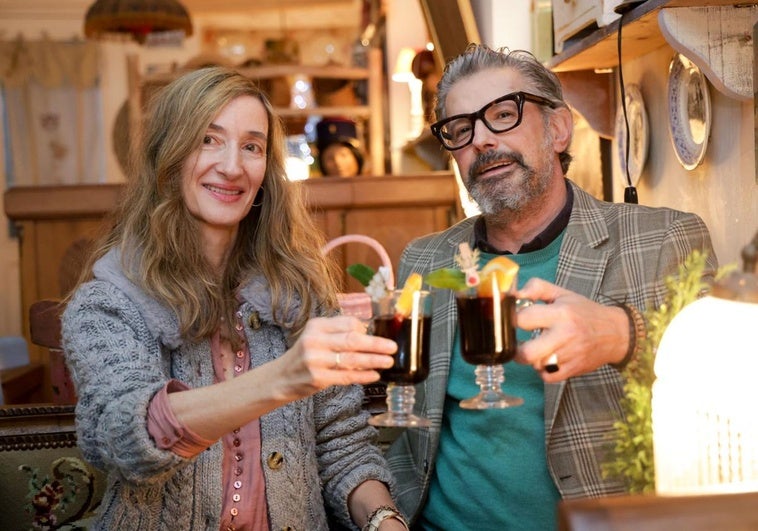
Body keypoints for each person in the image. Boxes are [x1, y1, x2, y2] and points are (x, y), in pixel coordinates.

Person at [383, 44, 718, 529]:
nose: (480, 140)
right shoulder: (425, 260)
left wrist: (627, 335)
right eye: (461, 130)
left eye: (503, 114)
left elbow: (730, 380)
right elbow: (390, 426)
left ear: (559, 129)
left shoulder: (662, 239)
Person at [62, 66, 409, 531]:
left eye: (252, 146)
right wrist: (283, 377)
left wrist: (385, 521)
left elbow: (343, 447)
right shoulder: (108, 303)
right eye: (209, 139)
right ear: (168, 154)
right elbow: (127, 438)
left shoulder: (299, 294)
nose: (231, 166)